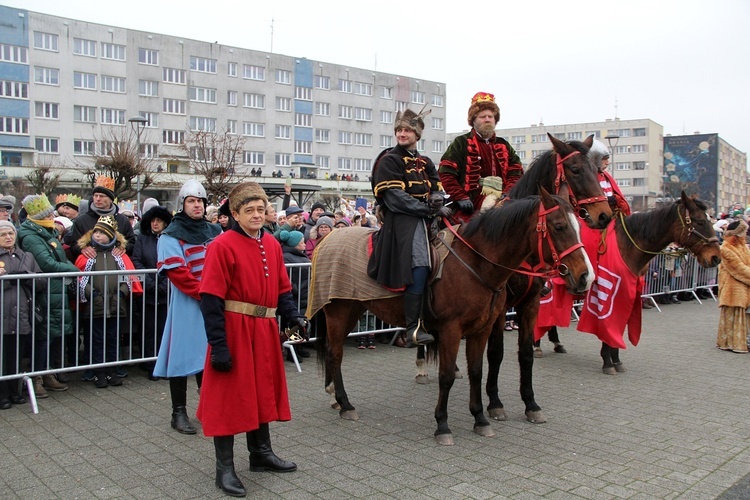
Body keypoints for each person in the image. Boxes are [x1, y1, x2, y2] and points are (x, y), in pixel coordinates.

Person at [196, 182, 307, 496]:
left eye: (261, 209)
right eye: (250, 210)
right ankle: (225, 469)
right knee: (230, 398)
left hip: (264, 329)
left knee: (261, 391)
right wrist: (218, 345)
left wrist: (294, 316)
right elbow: (210, 299)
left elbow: (283, 290)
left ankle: (260, 454)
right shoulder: (222, 245)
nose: (257, 215)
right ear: (235, 213)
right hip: (234, 330)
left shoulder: (271, 243)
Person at [367, 108, 450, 347]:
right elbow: (394, 197)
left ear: (417, 135)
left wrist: (438, 199)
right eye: (399, 130)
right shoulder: (389, 159)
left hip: (429, 216)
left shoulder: (425, 162)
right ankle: (413, 327)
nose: (402, 134)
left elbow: (436, 188)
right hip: (403, 220)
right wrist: (428, 209)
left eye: (407, 130)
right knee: (421, 260)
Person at [153, 180, 221, 434]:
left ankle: (208, 407)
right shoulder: (171, 235)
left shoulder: (215, 232)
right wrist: (206, 294)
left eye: (201, 201)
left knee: (211, 354)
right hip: (188, 303)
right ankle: (177, 413)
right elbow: (179, 274)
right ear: (182, 204)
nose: (197, 205)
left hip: (214, 301)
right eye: (192, 201)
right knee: (182, 358)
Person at [17, 194, 79, 397]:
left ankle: (47, 373)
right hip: (43, 292)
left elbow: (57, 259)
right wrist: (72, 270)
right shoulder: (31, 236)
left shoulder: (45, 233)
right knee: (42, 338)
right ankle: (36, 378)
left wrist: (67, 269)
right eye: (49, 213)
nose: (53, 215)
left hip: (54, 292)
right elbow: (47, 264)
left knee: (52, 336)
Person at [74, 216, 142, 388]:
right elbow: (81, 278)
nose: (98, 236)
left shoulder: (119, 255)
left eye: (102, 233)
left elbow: (128, 277)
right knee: (96, 340)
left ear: (111, 235)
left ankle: (112, 370)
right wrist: (93, 294)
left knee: (113, 339)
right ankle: (99, 373)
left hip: (115, 306)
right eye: (96, 232)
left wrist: (121, 293)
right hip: (95, 306)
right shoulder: (87, 255)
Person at [439, 92, 524, 222]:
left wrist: (507, 194)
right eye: (482, 116)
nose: (487, 119)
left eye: (491, 116)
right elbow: (446, 173)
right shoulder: (461, 142)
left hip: (503, 199)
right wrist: (461, 197)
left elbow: (516, 173)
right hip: (470, 203)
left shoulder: (504, 144)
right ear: (473, 120)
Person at [0, 220, 43, 409]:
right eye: (3, 235)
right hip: (3, 313)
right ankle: (2, 394)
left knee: (15, 355)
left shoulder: (26, 256)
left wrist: (26, 277)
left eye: (10, 234)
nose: (8, 237)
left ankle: (15, 391)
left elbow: (41, 283)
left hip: (21, 313)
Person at [131, 204, 172, 380]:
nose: (155, 224)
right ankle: (150, 363)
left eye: (159, 221)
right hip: (148, 292)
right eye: (153, 220)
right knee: (148, 328)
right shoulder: (143, 238)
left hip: (166, 292)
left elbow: (172, 261)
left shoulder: (170, 238)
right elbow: (137, 260)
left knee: (164, 328)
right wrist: (149, 283)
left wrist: (164, 283)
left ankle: (164, 362)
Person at [67, 176, 136, 259]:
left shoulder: (123, 220)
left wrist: (123, 248)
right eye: (95, 196)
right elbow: (73, 246)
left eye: (102, 196)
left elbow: (132, 243)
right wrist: (82, 248)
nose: (98, 199)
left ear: (111, 199)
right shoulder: (81, 221)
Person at [716, 219, 750, 353]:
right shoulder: (725, 249)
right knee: (734, 313)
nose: (745, 235)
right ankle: (731, 343)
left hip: (745, 287)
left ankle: (745, 340)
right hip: (732, 288)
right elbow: (739, 269)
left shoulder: (743, 247)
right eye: (743, 232)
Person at [279, 228, 311, 362]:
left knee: (300, 322)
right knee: (291, 324)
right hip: (295, 295)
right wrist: (296, 290)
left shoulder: (300, 255)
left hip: (302, 295)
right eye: (302, 242)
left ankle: (299, 346)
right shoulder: (287, 257)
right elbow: (287, 278)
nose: (304, 244)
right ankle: (292, 350)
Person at [587, 139, 631, 216]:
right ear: (594, 159)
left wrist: (617, 200)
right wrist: (611, 199)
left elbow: (623, 205)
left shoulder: (606, 176)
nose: (607, 162)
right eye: (604, 159)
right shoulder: (587, 178)